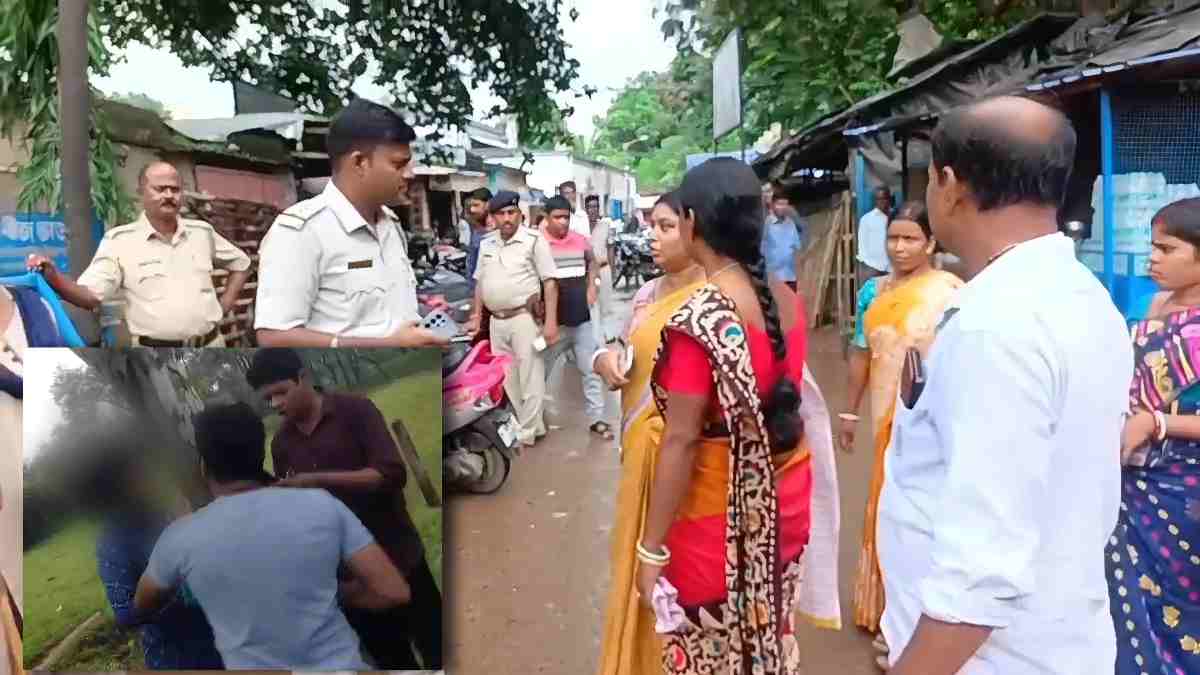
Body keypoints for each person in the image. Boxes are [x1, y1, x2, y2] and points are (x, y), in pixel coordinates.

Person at [878, 96, 1131, 675]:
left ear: (950, 185)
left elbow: (980, 576)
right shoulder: (1083, 298)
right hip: (1054, 636)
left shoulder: (997, 326)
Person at [633, 159, 823, 673]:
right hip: (787, 503)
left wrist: (650, 550)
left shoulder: (698, 321)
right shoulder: (786, 300)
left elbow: (681, 442)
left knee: (708, 653)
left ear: (691, 222)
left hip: (717, 521)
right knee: (768, 633)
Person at [133, 402, 411, 670]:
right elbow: (393, 591)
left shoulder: (180, 537)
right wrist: (335, 591)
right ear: (259, 454)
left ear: (204, 466)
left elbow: (142, 605)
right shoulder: (321, 505)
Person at [245, 348, 442, 670]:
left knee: (437, 649)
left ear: (304, 378)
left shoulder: (356, 411)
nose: (276, 404)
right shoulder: (281, 444)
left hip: (399, 554)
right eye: (268, 399)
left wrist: (317, 480)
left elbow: (391, 473)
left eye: (281, 392)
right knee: (392, 661)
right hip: (351, 582)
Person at [837, 200, 962, 668]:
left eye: (911, 238)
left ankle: (920, 620)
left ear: (930, 242)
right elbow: (859, 352)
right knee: (885, 506)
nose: (900, 247)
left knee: (922, 514)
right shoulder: (872, 291)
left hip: (929, 423)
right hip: (883, 416)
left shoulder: (950, 292)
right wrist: (848, 414)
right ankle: (886, 609)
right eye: (894, 238)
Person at [254, 97, 446, 348]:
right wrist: (388, 345)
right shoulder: (302, 232)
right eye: (398, 164)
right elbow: (273, 337)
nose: (410, 174)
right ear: (359, 163)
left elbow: (389, 316)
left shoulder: (391, 225)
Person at [1109, 198, 1200, 673]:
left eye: (1167, 249)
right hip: (1132, 478)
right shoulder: (1154, 304)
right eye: (1152, 246)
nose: (1152, 259)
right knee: (1126, 594)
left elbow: (1155, 412)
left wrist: (1158, 423)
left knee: (1182, 602)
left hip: (1185, 489)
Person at [27, 161, 251, 347]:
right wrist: (53, 277)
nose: (169, 195)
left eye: (175, 189)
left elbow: (241, 264)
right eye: (160, 189)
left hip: (211, 348)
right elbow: (90, 296)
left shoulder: (201, 233)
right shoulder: (120, 242)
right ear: (141, 193)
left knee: (220, 403)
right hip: (155, 356)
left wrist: (224, 305)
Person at [70, 433, 223, 669]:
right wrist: (166, 587)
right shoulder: (113, 539)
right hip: (175, 657)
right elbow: (124, 613)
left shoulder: (171, 505)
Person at [469, 190, 559, 446]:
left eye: (511, 213)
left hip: (524, 318)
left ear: (519, 214)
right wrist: (478, 317)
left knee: (530, 376)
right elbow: (479, 283)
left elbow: (549, 282)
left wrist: (551, 322)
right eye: (501, 214)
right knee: (508, 378)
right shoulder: (487, 243)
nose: (507, 218)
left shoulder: (533, 240)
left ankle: (527, 433)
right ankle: (531, 425)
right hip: (497, 321)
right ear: (493, 217)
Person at [538, 196, 609, 440]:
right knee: (539, 371)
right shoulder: (538, 245)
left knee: (590, 370)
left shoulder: (580, 241)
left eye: (566, 217)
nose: (562, 222)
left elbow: (594, 265)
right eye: (557, 217)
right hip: (552, 324)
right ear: (546, 218)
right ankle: (534, 420)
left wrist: (593, 288)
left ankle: (597, 418)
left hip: (582, 319)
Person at [762, 189, 805, 291]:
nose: (767, 195)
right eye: (765, 192)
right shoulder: (765, 218)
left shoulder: (789, 217)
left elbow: (802, 233)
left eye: (769, 191)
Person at [856, 186, 892, 288]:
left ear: (889, 200)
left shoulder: (894, 217)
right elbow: (861, 244)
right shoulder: (867, 219)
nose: (882, 202)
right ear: (875, 201)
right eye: (879, 199)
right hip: (871, 267)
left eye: (885, 198)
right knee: (870, 299)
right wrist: (866, 264)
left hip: (890, 268)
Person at [463, 187, 494, 292]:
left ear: (488, 204)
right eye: (471, 206)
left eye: (476, 205)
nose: (472, 210)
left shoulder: (496, 229)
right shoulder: (477, 227)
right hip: (476, 289)